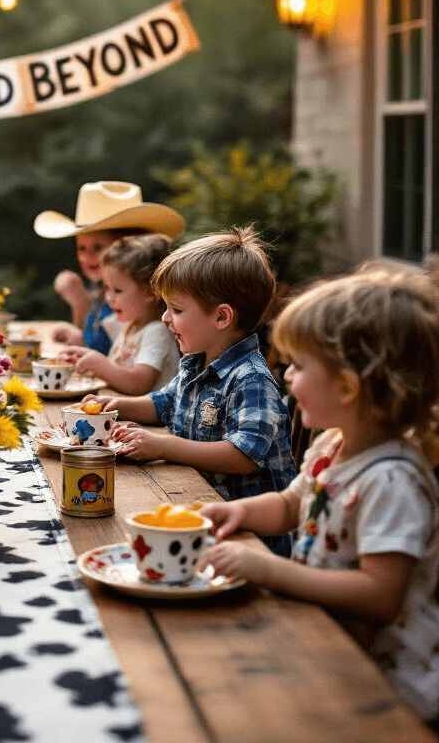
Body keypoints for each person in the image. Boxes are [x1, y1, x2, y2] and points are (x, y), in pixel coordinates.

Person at [198, 267, 439, 722]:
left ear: (348, 386)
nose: (286, 378)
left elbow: (380, 595)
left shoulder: (391, 480)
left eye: (299, 366)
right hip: (326, 641)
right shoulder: (332, 446)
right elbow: (292, 504)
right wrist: (236, 512)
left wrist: (271, 570)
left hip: (387, 686)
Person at [98, 227, 296, 556]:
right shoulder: (196, 361)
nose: (164, 318)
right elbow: (164, 404)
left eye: (177, 310)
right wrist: (117, 404)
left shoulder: (251, 379)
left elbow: (244, 456)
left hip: (245, 540)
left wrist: (164, 446)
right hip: (194, 510)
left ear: (221, 317)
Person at [33, 181, 185, 353]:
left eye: (98, 247)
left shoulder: (137, 301)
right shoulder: (102, 293)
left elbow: (122, 359)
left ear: (127, 248)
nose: (87, 256)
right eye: (81, 248)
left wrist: (79, 303)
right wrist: (79, 303)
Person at [58, 233, 179, 394]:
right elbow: (118, 369)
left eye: (117, 290)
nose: (108, 297)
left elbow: (138, 383)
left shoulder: (157, 332)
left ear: (150, 292)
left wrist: (98, 364)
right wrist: (85, 356)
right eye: (107, 287)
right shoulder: (130, 326)